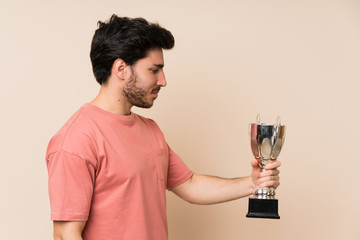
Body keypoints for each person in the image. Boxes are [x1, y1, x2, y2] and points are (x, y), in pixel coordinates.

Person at [45, 14, 281, 240]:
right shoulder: (75, 140)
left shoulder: (150, 130)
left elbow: (189, 185)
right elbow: (65, 235)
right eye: (154, 70)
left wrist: (253, 183)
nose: (163, 81)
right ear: (121, 69)